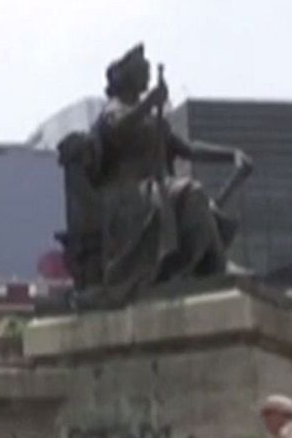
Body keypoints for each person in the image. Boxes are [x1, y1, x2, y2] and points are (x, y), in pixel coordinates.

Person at [83, 44, 253, 305]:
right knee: (190, 192)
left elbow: (186, 148)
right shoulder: (115, 109)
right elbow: (115, 132)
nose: (148, 78)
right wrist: (148, 104)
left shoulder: (151, 118)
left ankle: (206, 264)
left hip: (157, 187)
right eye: (143, 72)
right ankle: (205, 265)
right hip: (129, 193)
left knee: (189, 196)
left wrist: (230, 154)